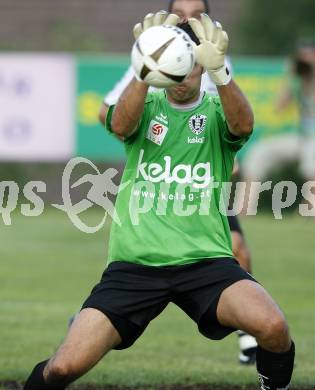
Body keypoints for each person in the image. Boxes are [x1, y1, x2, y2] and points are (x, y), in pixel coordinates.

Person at [24, 13, 295, 390]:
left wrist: (223, 74)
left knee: (274, 327)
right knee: (63, 368)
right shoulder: (146, 105)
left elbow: (244, 126)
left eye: (189, 66)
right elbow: (119, 126)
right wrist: (143, 66)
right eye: (173, 67)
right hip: (135, 266)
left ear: (202, 63)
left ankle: (273, 385)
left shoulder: (216, 110)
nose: (181, 76)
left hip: (206, 262)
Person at [99, 0, 257, 365]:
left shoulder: (213, 51)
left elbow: (238, 120)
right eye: (181, 11)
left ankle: (248, 333)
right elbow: (109, 113)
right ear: (170, 12)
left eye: (196, 11)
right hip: (163, 177)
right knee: (142, 249)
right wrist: (142, 78)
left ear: (207, 15)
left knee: (237, 247)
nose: (188, 18)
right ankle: (97, 316)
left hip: (207, 174)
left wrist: (226, 155)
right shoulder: (154, 50)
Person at [243, 41, 315, 189]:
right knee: (259, 151)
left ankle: (311, 206)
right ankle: (245, 206)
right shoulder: (297, 82)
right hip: (302, 137)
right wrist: (290, 76)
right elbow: (280, 107)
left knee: (311, 156)